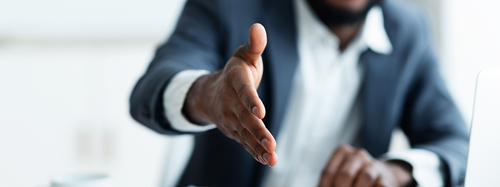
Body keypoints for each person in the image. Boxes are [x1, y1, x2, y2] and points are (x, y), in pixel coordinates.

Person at [130, 0, 469, 186]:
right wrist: (208, 95)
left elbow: (456, 144)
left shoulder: (408, 30)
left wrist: (394, 174)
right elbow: (152, 86)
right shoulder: (229, 6)